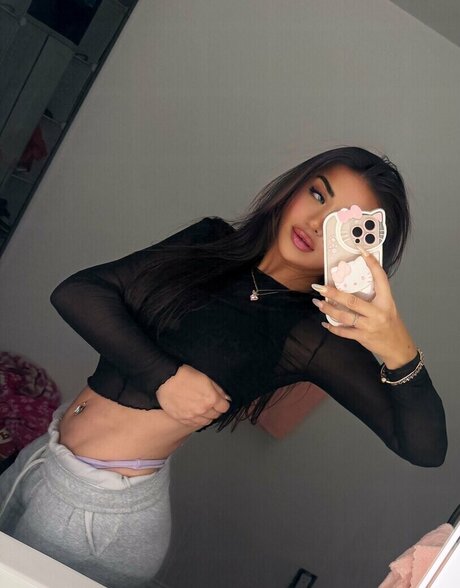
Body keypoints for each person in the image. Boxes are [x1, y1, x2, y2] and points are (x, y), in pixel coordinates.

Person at [0, 147, 447, 587]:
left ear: (361, 247)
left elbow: (424, 447)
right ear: (293, 188)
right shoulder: (209, 241)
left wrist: (397, 345)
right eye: (317, 194)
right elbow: (79, 293)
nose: (316, 223)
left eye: (342, 223)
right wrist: (165, 378)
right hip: (45, 455)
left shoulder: (312, 335)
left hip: (96, 518)